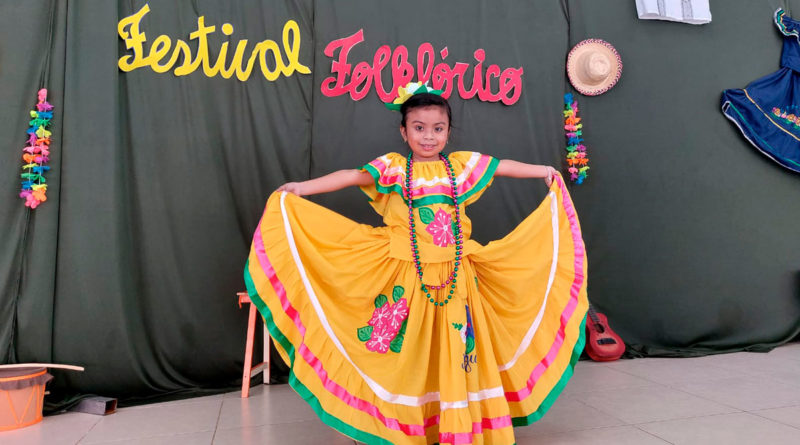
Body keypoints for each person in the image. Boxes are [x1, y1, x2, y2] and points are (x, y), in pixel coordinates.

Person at [245, 84, 588, 445]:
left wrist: (543, 171)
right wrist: (301, 188)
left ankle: (455, 421)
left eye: (437, 128)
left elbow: (501, 167)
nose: (429, 136)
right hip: (409, 275)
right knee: (411, 352)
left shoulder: (459, 167)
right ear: (404, 132)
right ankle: (403, 422)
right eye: (419, 128)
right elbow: (351, 176)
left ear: (448, 132)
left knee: (455, 348)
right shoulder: (393, 169)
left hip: (456, 278)